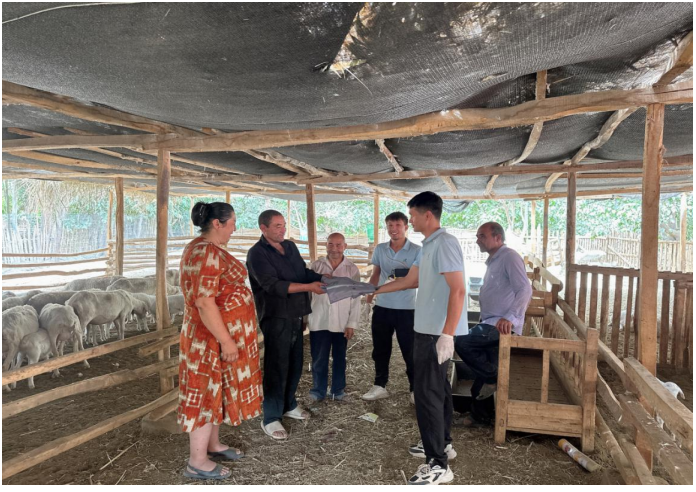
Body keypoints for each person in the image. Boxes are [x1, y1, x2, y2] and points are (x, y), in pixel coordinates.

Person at [374, 191, 467, 486]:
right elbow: (409, 281)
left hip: (435, 333)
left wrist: (448, 333)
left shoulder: (445, 243)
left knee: (427, 395)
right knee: (438, 390)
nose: (410, 220)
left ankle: (437, 464)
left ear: (427, 215)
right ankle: (444, 445)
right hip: (426, 328)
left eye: (412, 215)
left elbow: (458, 289)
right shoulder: (428, 245)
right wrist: (372, 290)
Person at [178, 201, 262, 481]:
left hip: (214, 336)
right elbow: (204, 302)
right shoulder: (204, 252)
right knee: (205, 394)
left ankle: (212, 445)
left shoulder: (206, 249)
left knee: (217, 390)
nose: (235, 228)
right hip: (208, 340)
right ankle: (197, 461)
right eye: (232, 222)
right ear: (217, 223)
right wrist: (226, 340)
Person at [246, 210, 326, 440]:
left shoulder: (289, 247)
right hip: (276, 316)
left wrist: (322, 278)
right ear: (263, 228)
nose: (282, 230)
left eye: (283, 225)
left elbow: (302, 273)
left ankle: (289, 404)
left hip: (295, 313)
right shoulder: (257, 253)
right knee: (276, 365)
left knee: (295, 362)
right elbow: (273, 286)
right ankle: (271, 416)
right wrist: (310, 287)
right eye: (277, 226)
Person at [455, 222, 532, 427]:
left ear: (497, 237)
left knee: (462, 342)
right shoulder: (494, 260)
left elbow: (525, 289)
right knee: (483, 371)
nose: (477, 240)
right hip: (491, 321)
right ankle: (480, 417)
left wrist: (511, 318)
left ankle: (493, 377)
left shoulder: (509, 257)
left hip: (500, 325)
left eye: (482, 236)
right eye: (477, 236)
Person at [363, 211, 421, 403]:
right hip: (383, 306)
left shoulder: (417, 250)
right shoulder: (381, 249)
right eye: (390, 226)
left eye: (398, 225)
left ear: (406, 227)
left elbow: (418, 280)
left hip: (407, 309)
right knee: (380, 348)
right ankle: (380, 385)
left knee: (410, 350)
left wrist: (398, 283)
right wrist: (368, 299)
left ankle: (415, 388)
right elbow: (375, 274)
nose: (394, 229)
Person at [307, 233, 360, 402]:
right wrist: (305, 318)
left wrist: (351, 323)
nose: (334, 249)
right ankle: (318, 391)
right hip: (319, 320)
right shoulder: (316, 266)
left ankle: (338, 390)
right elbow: (307, 294)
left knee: (339, 357)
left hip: (341, 322)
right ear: (326, 245)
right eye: (331, 244)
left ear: (345, 247)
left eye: (338, 245)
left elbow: (356, 298)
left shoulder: (351, 269)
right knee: (319, 358)